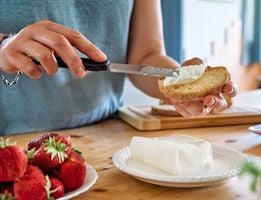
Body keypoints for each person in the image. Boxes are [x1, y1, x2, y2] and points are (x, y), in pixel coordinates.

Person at [0, 0, 236, 135]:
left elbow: (146, 55)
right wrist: (3, 44)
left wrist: (184, 82)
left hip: (105, 134)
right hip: (11, 143)